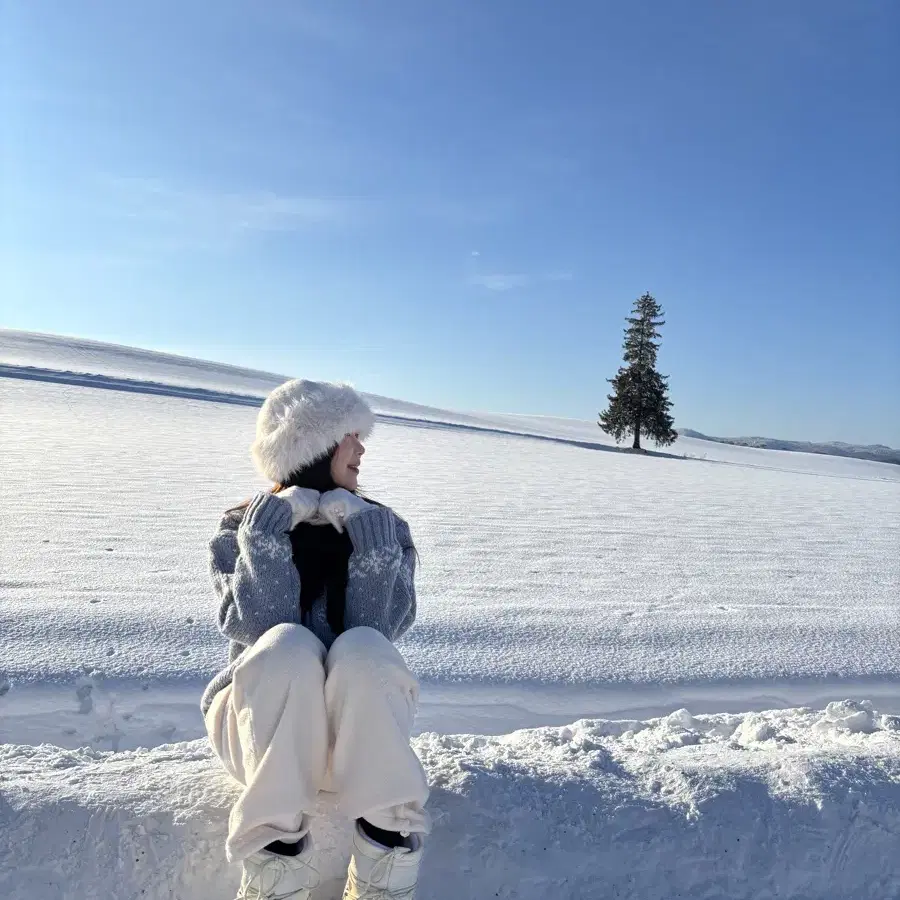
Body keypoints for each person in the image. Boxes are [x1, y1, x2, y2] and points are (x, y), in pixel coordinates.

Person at [201, 379, 430, 900]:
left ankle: (386, 875)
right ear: (313, 445)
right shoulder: (240, 528)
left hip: (359, 743)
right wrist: (266, 538)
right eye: (352, 435)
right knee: (286, 645)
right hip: (260, 734)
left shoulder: (384, 528)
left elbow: (383, 632)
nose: (362, 448)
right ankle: (274, 877)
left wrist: (369, 544)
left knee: (365, 650)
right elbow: (258, 634)